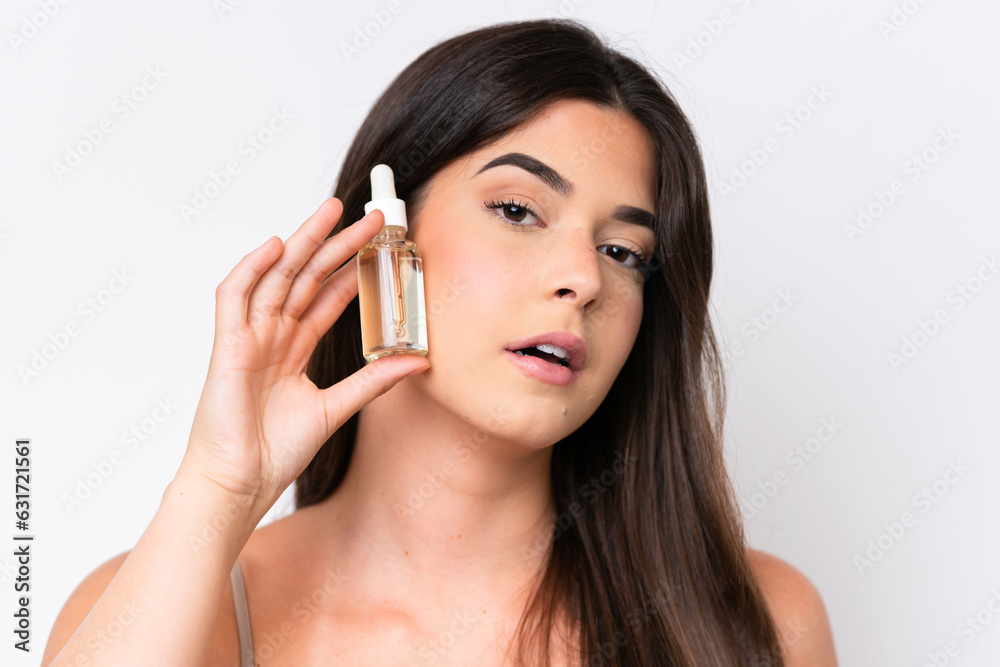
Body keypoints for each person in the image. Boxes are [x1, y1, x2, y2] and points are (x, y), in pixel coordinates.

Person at [42, 18, 837, 666]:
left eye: (623, 252)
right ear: (382, 243)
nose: (583, 279)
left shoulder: (758, 625)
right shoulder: (181, 613)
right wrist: (216, 490)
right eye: (518, 210)